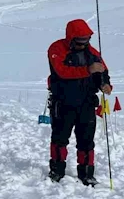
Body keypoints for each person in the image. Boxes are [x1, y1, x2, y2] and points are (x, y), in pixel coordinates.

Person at [48, 19, 112, 186]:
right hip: (62, 102)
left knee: (86, 140)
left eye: (86, 40)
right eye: (80, 41)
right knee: (59, 138)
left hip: (86, 103)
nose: (83, 44)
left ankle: (86, 173)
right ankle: (57, 169)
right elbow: (62, 72)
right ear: (71, 37)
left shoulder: (92, 52)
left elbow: (103, 71)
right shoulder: (56, 49)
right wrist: (87, 70)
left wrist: (105, 84)